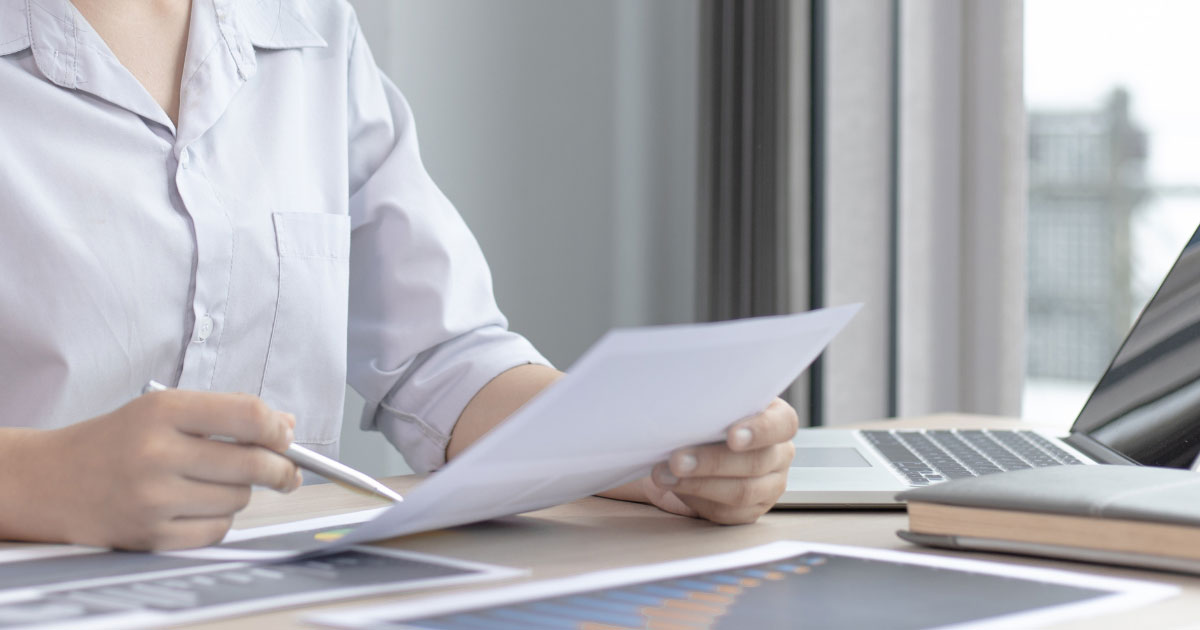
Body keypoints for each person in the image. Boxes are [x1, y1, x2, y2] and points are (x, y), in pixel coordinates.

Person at [0, 0, 799, 550]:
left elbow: (444, 363)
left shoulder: (311, 29)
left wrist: (662, 448)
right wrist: (39, 482)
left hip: (281, 601)